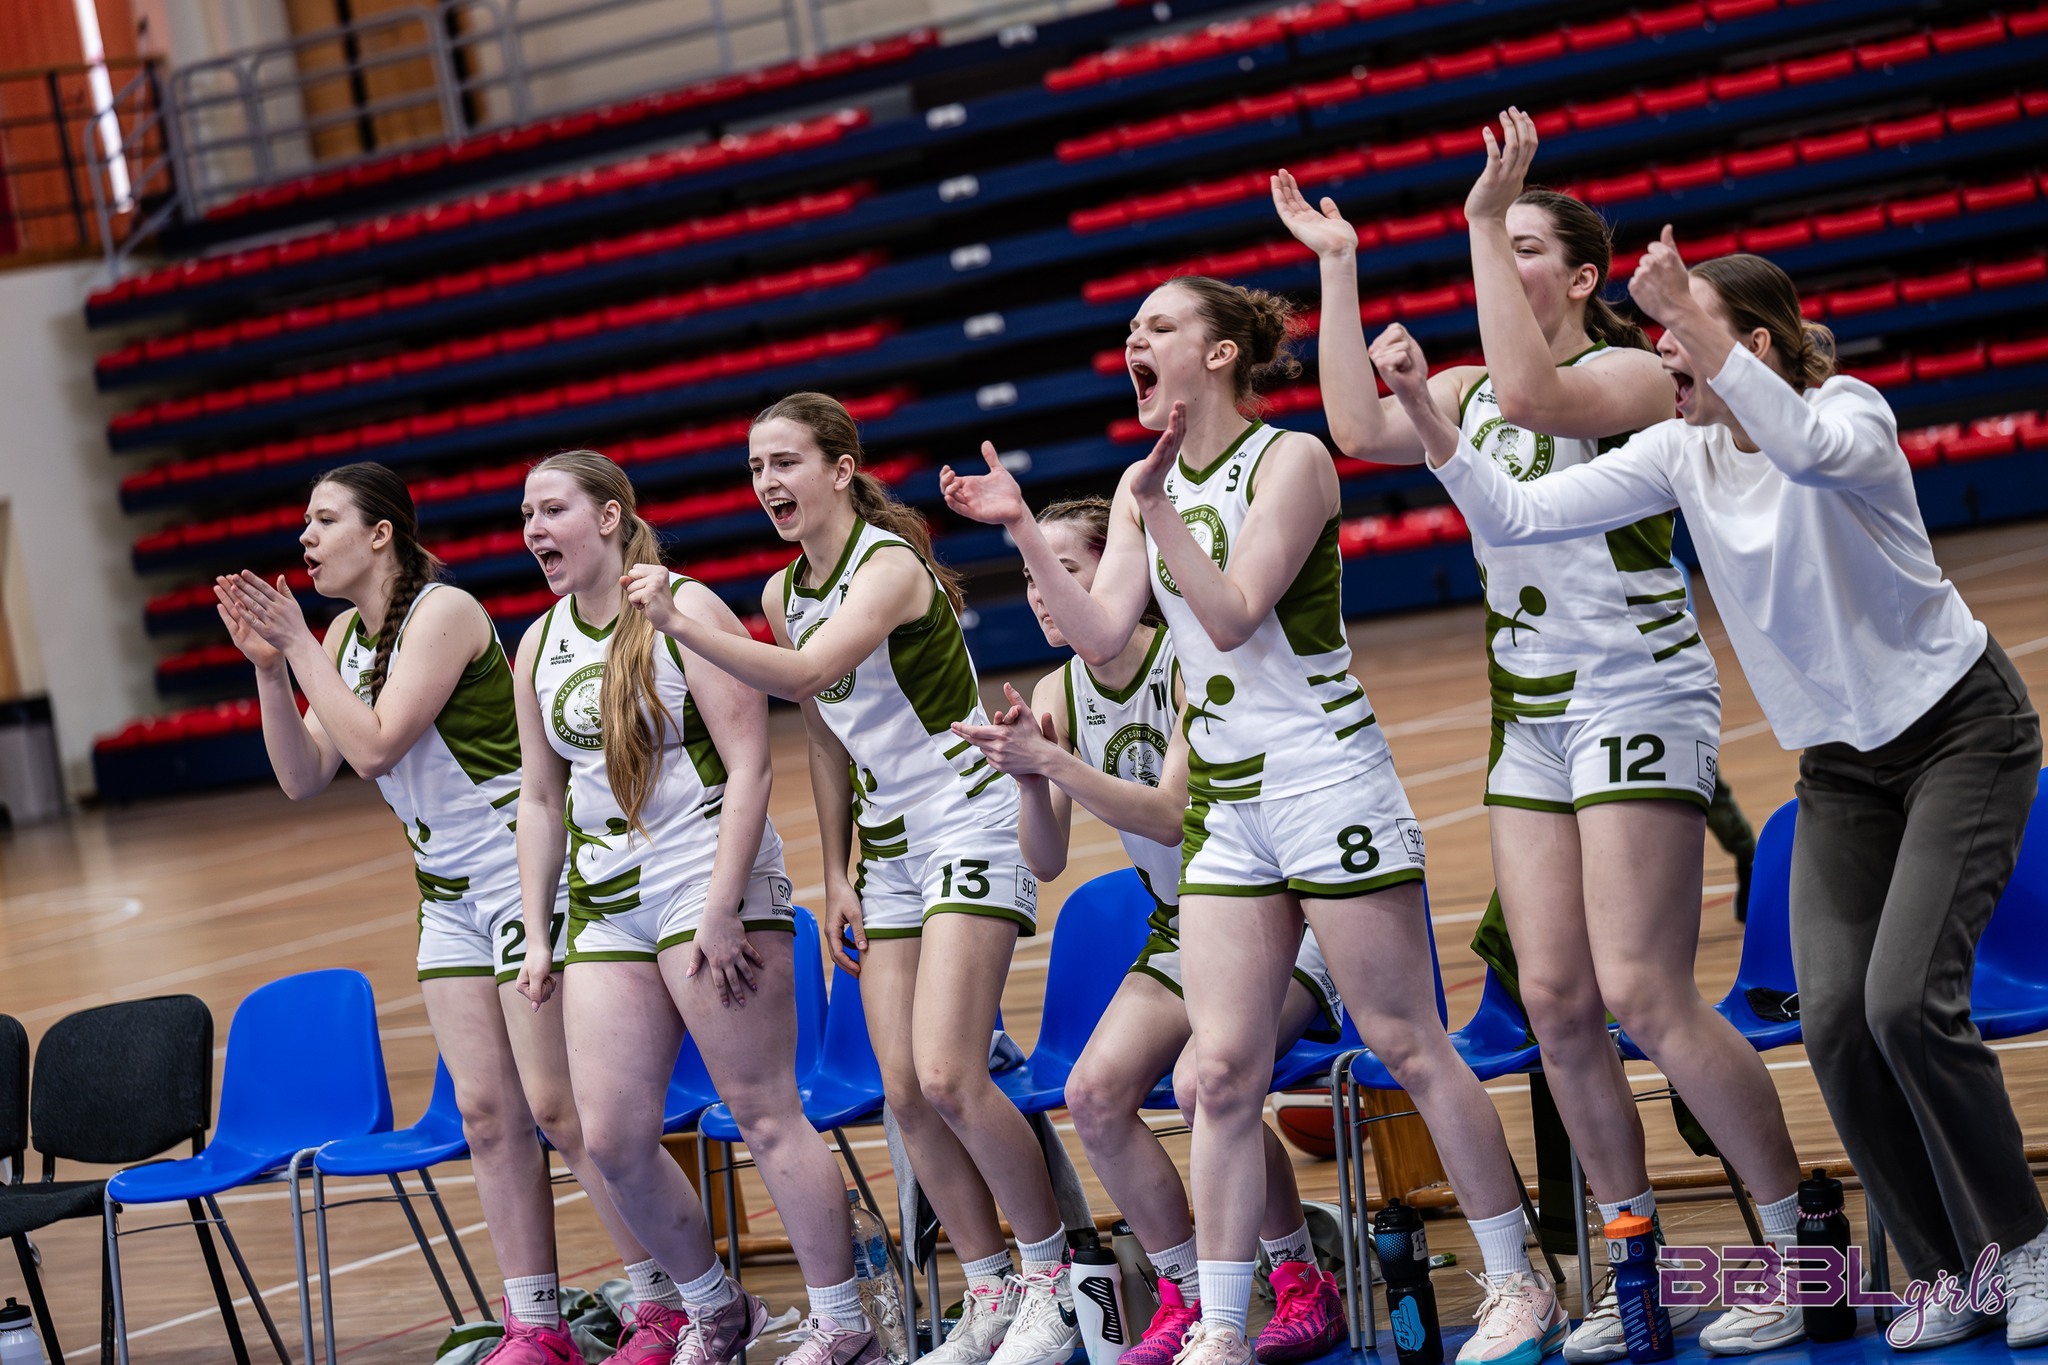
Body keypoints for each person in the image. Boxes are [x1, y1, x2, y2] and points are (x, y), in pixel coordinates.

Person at [1380, 230, 2047, 1354]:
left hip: (1957, 733)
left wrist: (1696, 322)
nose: (1661, 367)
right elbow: (1515, 516)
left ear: (1755, 347)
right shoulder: (1679, 451)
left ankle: (2022, 1248)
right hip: (1840, 768)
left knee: (1901, 1003)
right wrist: (1428, 416)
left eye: (1679, 345)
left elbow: (1800, 446)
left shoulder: (1849, 413)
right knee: (1833, 1021)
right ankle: (1946, 1269)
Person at [941, 277, 1563, 1365]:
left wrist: (1158, 507)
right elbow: (1100, 634)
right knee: (1218, 1074)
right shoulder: (1142, 487)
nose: (1134, 339)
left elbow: (1230, 616)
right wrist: (1025, 532)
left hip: (1325, 779)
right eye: (1131, 328)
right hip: (1229, 806)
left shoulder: (1292, 460)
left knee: (1406, 1042)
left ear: (1221, 353)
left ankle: (1519, 1277)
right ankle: (1224, 1324)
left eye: (1159, 325)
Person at [1275, 110, 1806, 1359]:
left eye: (1524, 247)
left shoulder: (1630, 376)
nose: (1499, 260)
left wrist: (1474, 213)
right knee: (1558, 1004)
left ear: (1579, 277)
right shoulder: (1466, 391)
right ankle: (1633, 1274)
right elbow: (1352, 427)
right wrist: (1338, 267)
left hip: (1635, 693)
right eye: (1492, 241)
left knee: (1641, 991)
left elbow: (1531, 392)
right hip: (1529, 715)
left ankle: (1799, 1249)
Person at [621, 396, 1081, 1365]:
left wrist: (676, 621)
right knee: (903, 1093)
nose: (767, 482)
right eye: (755, 467)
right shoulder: (783, 591)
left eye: (785, 461)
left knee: (951, 1074)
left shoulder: (886, 566)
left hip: (968, 817)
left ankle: (1054, 1280)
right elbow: (823, 733)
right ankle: (989, 1289)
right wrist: (836, 872)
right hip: (889, 849)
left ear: (839, 468)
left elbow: (801, 676)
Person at [214, 463, 682, 1365]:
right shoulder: (343, 635)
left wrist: (300, 647)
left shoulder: (444, 612)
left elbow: (375, 746)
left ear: (380, 533)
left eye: (323, 519)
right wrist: (273, 669)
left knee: (560, 1109)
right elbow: (303, 775)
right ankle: (536, 1323)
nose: (305, 537)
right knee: (486, 1115)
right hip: (448, 895)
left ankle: (665, 1302)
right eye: (304, 521)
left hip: (524, 876)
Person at [948, 497, 1347, 1365]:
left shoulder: (1187, 658)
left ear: (1121, 572)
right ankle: (1186, 1294)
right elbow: (1045, 858)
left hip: (1281, 915)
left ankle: (1300, 1278)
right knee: (1093, 1094)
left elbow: (1170, 814)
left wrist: (1055, 761)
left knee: (1205, 1084)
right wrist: (1030, 779)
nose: (1042, 592)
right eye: (1030, 575)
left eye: (1063, 569)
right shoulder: (1055, 690)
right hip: (1181, 928)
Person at [510, 449, 877, 1365]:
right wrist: (538, 930)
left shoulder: (686, 608)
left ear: (608, 516)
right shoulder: (539, 644)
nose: (533, 530)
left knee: (764, 1112)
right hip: (606, 904)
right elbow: (539, 798)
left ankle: (844, 1323)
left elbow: (751, 765)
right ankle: (717, 1307)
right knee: (611, 1137)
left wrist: (720, 907)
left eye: (551, 510)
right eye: (525, 516)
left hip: (708, 879)